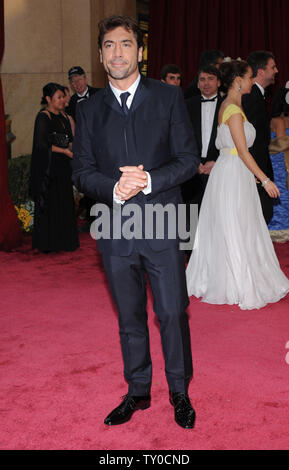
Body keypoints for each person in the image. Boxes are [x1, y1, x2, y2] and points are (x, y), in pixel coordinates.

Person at [72, 15, 199, 428]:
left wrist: (148, 180)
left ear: (140, 51)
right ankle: (138, 391)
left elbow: (188, 160)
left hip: (162, 223)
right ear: (100, 55)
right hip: (114, 229)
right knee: (129, 317)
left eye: (126, 44)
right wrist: (112, 188)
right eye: (109, 46)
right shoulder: (89, 109)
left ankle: (179, 390)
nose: (117, 53)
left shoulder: (167, 97)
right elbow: (81, 172)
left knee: (172, 312)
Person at [186, 60, 289, 310]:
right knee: (236, 225)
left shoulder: (232, 106)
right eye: (250, 76)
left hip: (235, 172)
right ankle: (236, 283)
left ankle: (232, 278)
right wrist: (265, 180)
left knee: (240, 225)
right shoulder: (232, 108)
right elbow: (242, 151)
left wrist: (251, 175)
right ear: (238, 80)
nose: (252, 80)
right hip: (232, 173)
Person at [30, 83, 79, 253]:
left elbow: (71, 140)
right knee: (50, 203)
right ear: (49, 99)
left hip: (64, 167)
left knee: (64, 202)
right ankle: (48, 244)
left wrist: (74, 151)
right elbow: (41, 145)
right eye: (58, 97)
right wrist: (64, 151)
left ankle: (65, 241)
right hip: (49, 168)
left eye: (62, 97)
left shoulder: (64, 117)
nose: (62, 101)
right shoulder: (43, 117)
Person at [242, 51, 278, 224]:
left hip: (255, 172)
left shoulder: (256, 96)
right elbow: (250, 141)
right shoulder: (251, 98)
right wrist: (258, 175)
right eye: (273, 67)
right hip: (254, 174)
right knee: (260, 215)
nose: (276, 71)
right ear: (261, 72)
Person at [183, 65, 223, 210]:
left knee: (216, 211)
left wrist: (218, 162)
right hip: (192, 169)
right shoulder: (186, 105)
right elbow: (182, 137)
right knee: (189, 213)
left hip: (219, 167)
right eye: (202, 79)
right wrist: (193, 161)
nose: (206, 83)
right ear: (198, 83)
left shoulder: (227, 106)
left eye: (211, 79)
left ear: (219, 82)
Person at [267, 85, 289, 242]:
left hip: (285, 161)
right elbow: (281, 144)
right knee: (282, 192)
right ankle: (278, 229)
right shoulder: (278, 121)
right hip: (279, 162)